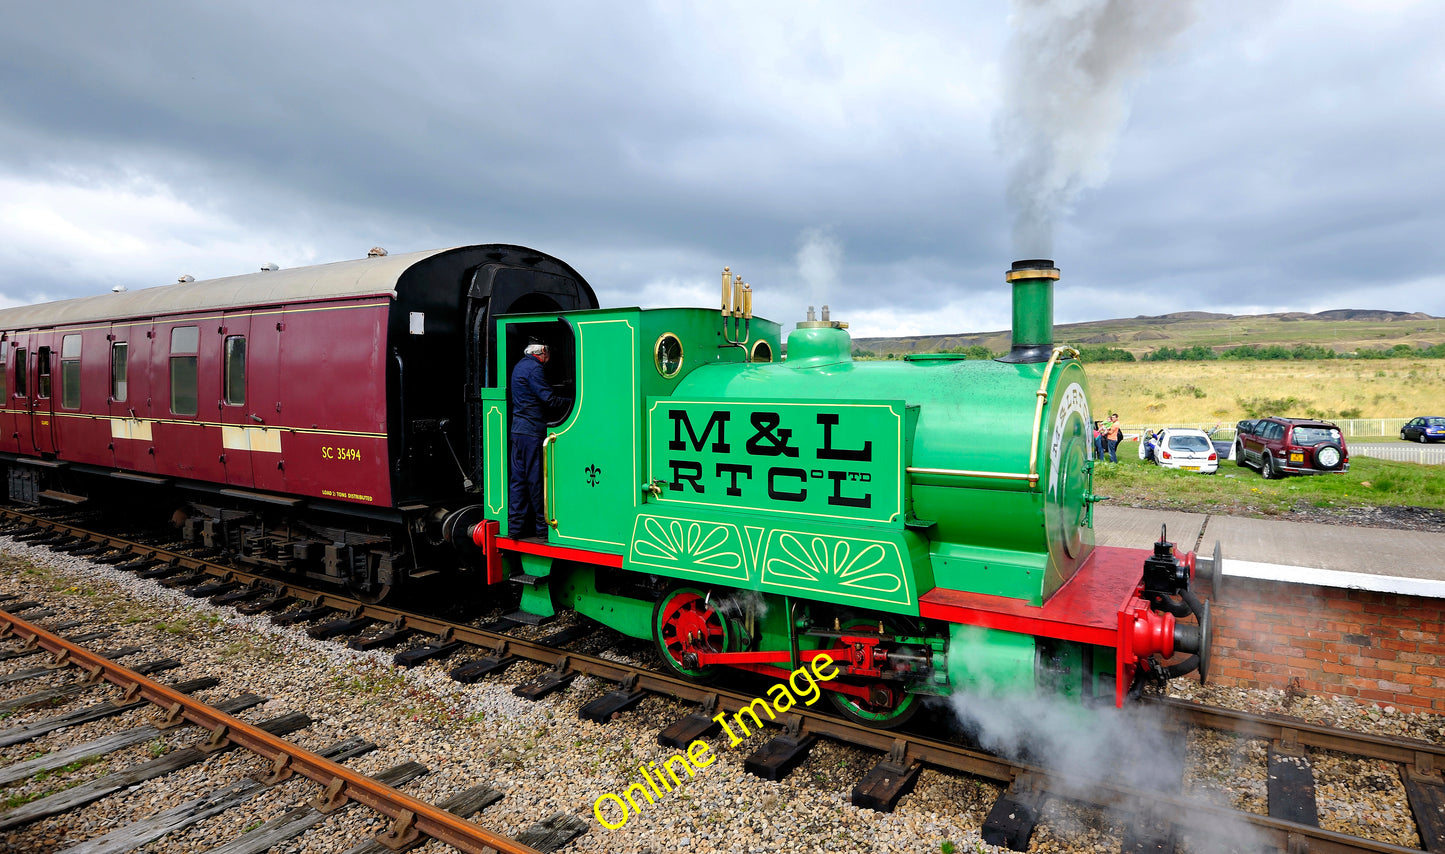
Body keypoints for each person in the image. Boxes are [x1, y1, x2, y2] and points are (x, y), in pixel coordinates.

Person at [509, 341, 568, 539]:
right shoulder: (534, 369)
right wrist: (573, 402)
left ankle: (515, 528)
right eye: (548, 352)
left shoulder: (519, 366)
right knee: (536, 481)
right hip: (532, 432)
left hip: (517, 431)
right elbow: (548, 399)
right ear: (543, 351)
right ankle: (542, 530)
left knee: (518, 480)